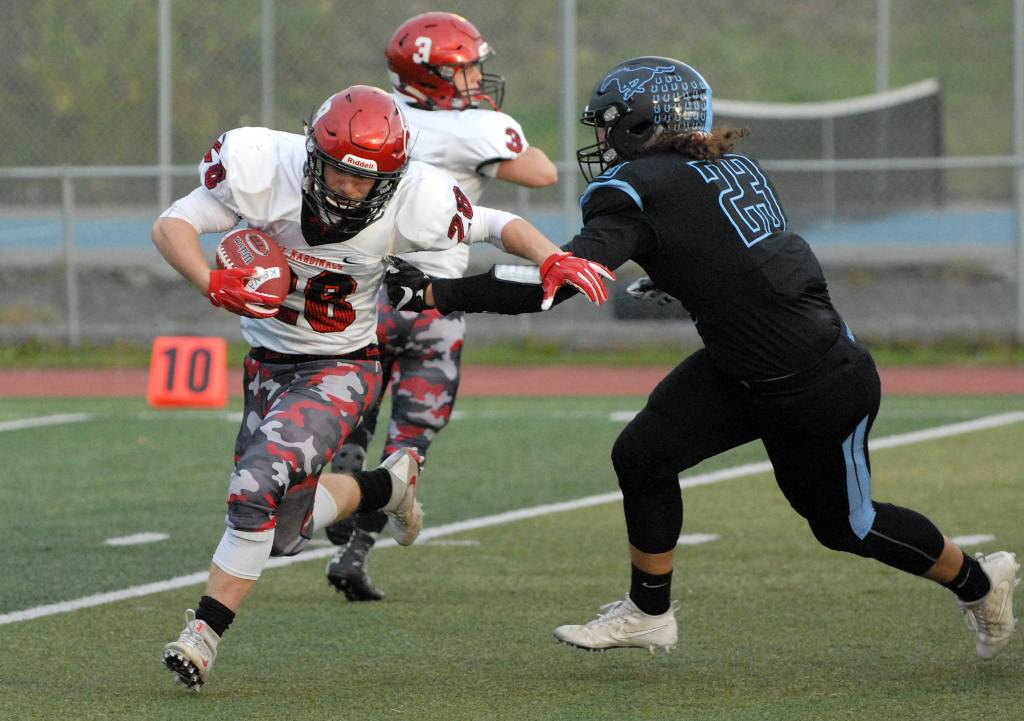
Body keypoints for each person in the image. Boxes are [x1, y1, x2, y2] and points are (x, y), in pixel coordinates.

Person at [383, 56, 1020, 659]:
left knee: (845, 526)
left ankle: (981, 584)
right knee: (642, 454)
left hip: (817, 382)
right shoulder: (731, 164)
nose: (603, 144)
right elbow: (759, 254)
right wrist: (682, 276)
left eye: (608, 127)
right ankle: (649, 614)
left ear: (640, 124)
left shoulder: (635, 185)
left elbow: (559, 284)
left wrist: (436, 290)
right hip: (747, 364)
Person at [150, 84, 612, 691]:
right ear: (314, 156)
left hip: (342, 366)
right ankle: (387, 485)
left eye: (364, 181)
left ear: (391, 179)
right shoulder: (264, 165)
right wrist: (210, 281)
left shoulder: (416, 197)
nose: (348, 189)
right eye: (339, 173)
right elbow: (174, 223)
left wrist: (552, 256)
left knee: (253, 486)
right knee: (281, 533)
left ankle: (202, 636)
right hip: (266, 361)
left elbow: (501, 224)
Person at [322, 11, 559, 602]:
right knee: (413, 435)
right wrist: (482, 132)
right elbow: (541, 172)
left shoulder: (373, 111)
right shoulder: (475, 128)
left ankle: (341, 498)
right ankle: (356, 550)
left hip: (368, 294)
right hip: (433, 302)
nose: (477, 76)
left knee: (356, 410)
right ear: (432, 75)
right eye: (467, 67)